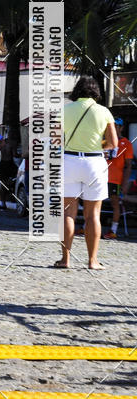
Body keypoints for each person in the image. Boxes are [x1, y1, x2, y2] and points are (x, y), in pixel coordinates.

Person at [55, 76, 117, 270]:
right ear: (95, 92)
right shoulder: (103, 111)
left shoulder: (65, 110)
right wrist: (97, 144)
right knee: (93, 215)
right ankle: (92, 261)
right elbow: (113, 143)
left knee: (68, 213)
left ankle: (65, 259)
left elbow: (55, 139)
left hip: (69, 161)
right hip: (95, 162)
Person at [102, 117, 134, 240]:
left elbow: (129, 165)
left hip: (116, 179)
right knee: (94, 202)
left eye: (116, 126)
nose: (113, 128)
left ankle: (113, 231)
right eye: (111, 126)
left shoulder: (126, 143)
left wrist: (125, 182)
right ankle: (86, 226)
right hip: (102, 177)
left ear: (121, 128)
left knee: (115, 203)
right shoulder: (105, 141)